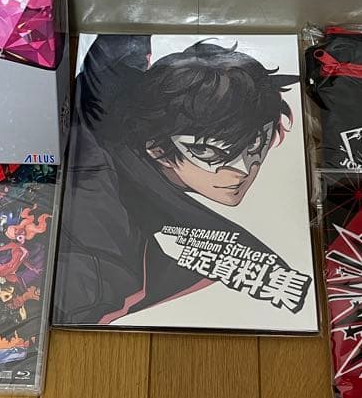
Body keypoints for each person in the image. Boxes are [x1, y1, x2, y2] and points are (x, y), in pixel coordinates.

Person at [55, 35, 302, 324]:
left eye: (256, 144)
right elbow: (88, 288)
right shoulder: (107, 236)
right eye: (208, 153)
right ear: (158, 149)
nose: (243, 169)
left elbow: (119, 41)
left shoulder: (111, 82)